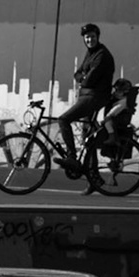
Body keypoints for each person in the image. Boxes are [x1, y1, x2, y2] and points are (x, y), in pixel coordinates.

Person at [57, 23, 116, 193]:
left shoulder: (102, 55)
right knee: (87, 139)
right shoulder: (90, 54)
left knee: (63, 119)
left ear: (98, 36)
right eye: (87, 37)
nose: (89, 39)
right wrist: (82, 77)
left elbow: (88, 79)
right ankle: (94, 180)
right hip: (87, 96)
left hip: (95, 97)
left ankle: (71, 157)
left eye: (92, 36)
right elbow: (78, 74)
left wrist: (83, 77)